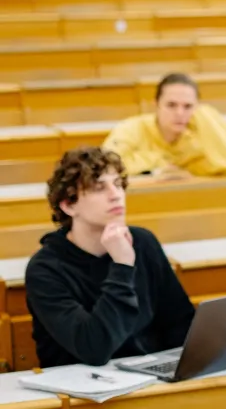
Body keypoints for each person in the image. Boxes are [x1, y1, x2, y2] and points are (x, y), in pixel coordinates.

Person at [25, 147, 195, 368]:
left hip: (150, 379)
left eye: (117, 184)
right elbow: (95, 349)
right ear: (69, 205)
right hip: (81, 390)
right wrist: (122, 265)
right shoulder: (45, 270)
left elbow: (180, 323)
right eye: (98, 188)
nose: (116, 195)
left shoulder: (143, 242)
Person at [102, 73, 226, 178]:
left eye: (188, 107)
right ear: (156, 105)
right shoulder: (131, 129)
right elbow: (104, 167)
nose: (179, 113)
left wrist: (206, 114)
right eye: (171, 105)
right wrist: (160, 165)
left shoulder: (196, 138)